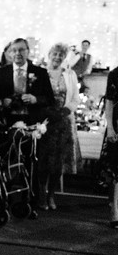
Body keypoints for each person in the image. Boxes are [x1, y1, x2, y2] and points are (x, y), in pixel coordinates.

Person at [37, 43, 80, 211]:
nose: (57, 57)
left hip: (63, 122)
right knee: (43, 160)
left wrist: (65, 111)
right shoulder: (41, 73)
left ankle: (51, 195)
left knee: (57, 163)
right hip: (45, 122)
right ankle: (41, 193)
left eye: (61, 55)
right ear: (49, 54)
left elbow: (75, 98)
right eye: (55, 54)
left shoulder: (70, 74)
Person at [0, 38, 54, 126]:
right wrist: (1, 102)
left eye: (21, 50)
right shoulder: (1, 72)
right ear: (10, 53)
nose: (17, 53)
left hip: (33, 121)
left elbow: (50, 99)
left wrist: (35, 99)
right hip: (7, 121)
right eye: (14, 50)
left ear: (28, 51)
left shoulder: (40, 72)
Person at [99, 66, 118, 228]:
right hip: (117, 125)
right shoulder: (115, 74)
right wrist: (110, 127)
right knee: (116, 171)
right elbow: (109, 102)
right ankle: (115, 214)